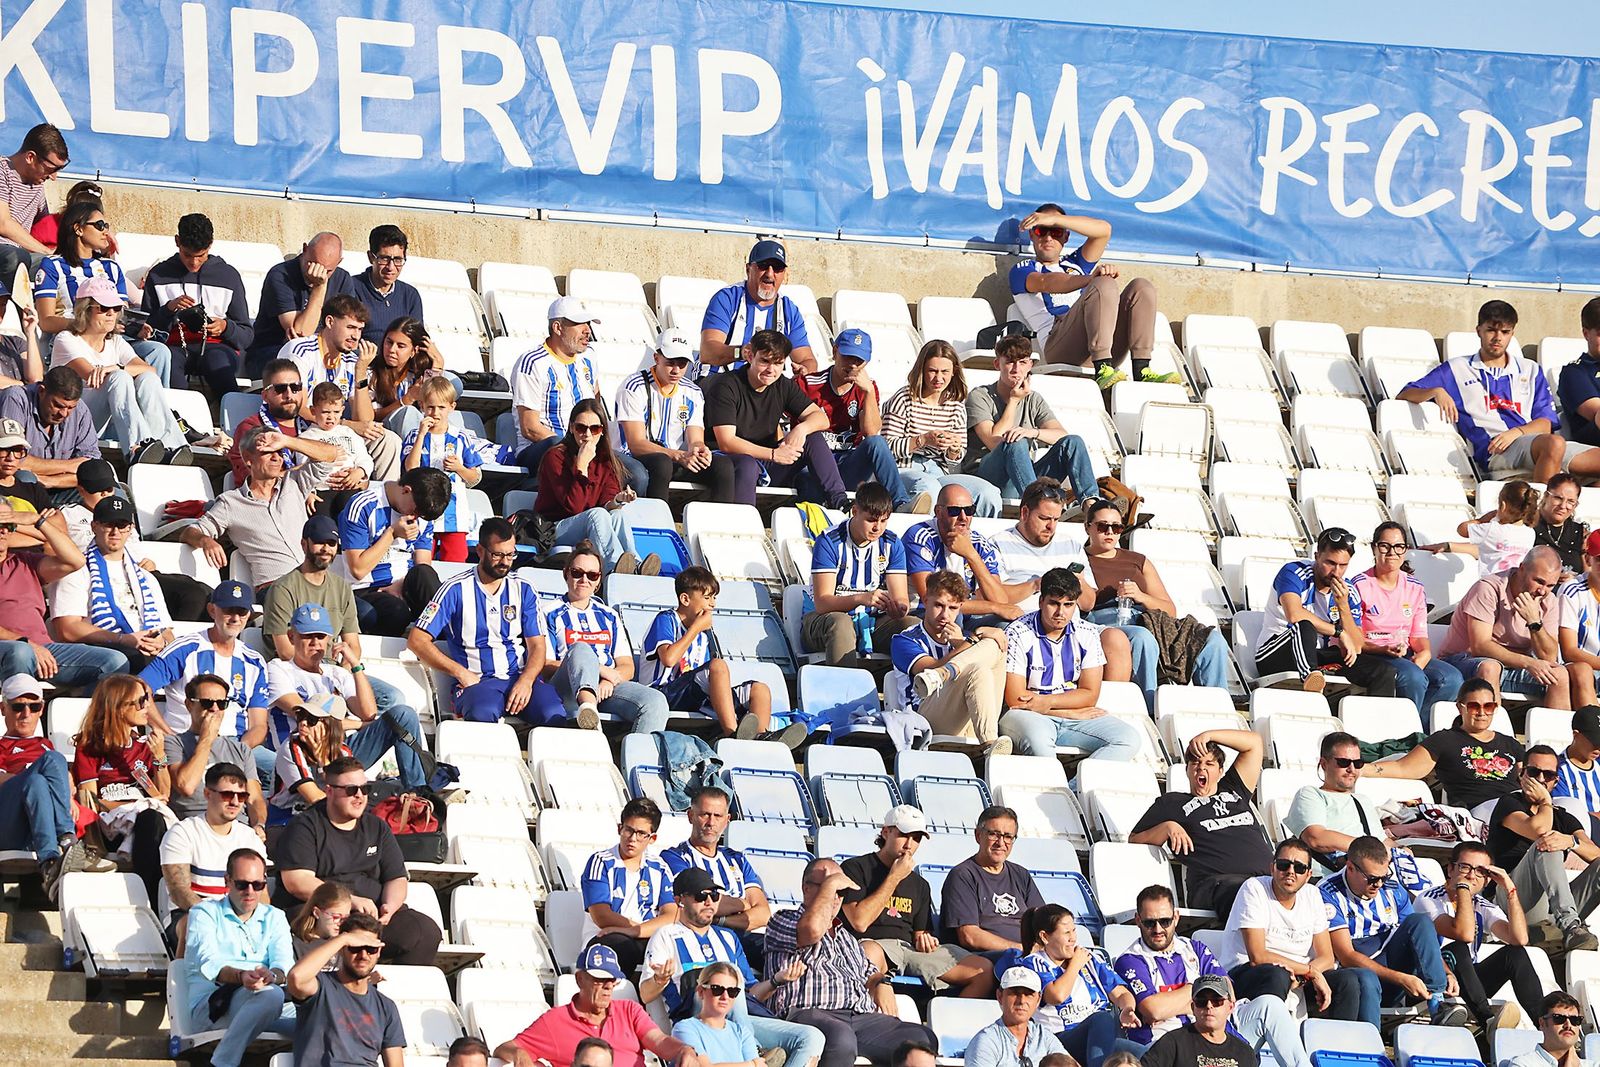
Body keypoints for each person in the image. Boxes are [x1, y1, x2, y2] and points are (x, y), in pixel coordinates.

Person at [762, 857, 937, 1067]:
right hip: (805, 1012)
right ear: (806, 889)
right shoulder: (784, 920)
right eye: (828, 888)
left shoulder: (846, 937)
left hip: (860, 1017)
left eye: (841, 892)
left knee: (921, 1039)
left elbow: (869, 972)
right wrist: (833, 883)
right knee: (841, 1039)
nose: (835, 898)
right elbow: (812, 930)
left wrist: (881, 982)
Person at [641, 867, 825, 1066]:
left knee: (811, 1037)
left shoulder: (727, 937)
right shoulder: (665, 935)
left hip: (738, 1023)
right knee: (727, 976)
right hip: (697, 1020)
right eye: (700, 896)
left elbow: (750, 994)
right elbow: (645, 995)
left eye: (714, 895)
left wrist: (776, 980)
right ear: (680, 900)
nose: (709, 902)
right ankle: (753, 1050)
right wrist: (659, 980)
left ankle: (751, 1046)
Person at [1401, 299, 1600, 481]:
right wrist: (1435, 391)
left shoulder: (1530, 369)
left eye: (1505, 332)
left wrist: (1516, 432)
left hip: (1532, 442)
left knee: (1559, 446)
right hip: (1494, 450)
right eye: (1491, 331)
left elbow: (1545, 423)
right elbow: (1405, 393)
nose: (1497, 338)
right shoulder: (1456, 368)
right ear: (1479, 330)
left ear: (1512, 334)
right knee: (1554, 444)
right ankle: (1540, 517)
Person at [274, 757, 441, 965]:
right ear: (330, 791)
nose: (360, 796)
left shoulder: (376, 827)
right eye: (351, 790)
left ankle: (392, 993)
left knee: (423, 931)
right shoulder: (305, 826)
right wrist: (351, 901)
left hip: (370, 915)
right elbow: (296, 881)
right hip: (324, 913)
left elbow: (396, 877)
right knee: (317, 926)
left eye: (365, 789)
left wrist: (390, 906)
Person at [1114, 885, 1307, 1066]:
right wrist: (1197, 989)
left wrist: (1176, 1003)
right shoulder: (1131, 959)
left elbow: (1227, 993)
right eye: (1149, 922)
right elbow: (1154, 1010)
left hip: (1220, 1032)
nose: (1157, 929)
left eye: (1164, 921)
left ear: (1176, 918)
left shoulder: (1194, 948)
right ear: (1137, 920)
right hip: (1168, 1044)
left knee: (1270, 1005)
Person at [266, 603, 427, 792]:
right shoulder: (278, 668)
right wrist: (358, 725)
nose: (315, 643)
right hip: (301, 752)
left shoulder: (336, 673)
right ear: (292, 637)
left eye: (320, 636)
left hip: (342, 749)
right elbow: (310, 719)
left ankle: (418, 792)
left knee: (403, 714)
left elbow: (368, 713)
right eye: (307, 636)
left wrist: (356, 665)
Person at [841, 805, 996, 998]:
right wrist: (894, 877)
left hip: (909, 950)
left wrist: (925, 939)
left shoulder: (920, 884)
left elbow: (920, 934)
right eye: (903, 835)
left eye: (916, 838)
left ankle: (948, 1024)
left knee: (983, 970)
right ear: (885, 832)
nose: (909, 845)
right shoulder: (855, 868)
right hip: (872, 944)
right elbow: (859, 921)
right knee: (869, 954)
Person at [1081, 497, 1231, 695]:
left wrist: (1141, 596)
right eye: (1103, 526)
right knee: (1142, 638)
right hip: (1104, 620)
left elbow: (1169, 609)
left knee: (1212, 640)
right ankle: (1148, 704)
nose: (1110, 532)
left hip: (1147, 618)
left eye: (1116, 528)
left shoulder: (1137, 560)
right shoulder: (1079, 558)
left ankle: (1216, 705)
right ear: (1088, 527)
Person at [1225, 837, 1378, 1027]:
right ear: (1272, 867)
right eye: (1283, 865)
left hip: (1301, 977)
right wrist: (1310, 972)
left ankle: (1336, 1049)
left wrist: (1305, 975)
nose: (1290, 872)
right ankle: (1267, 1044)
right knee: (1277, 975)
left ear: (1308, 875)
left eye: (1299, 868)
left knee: (1348, 980)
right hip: (1249, 973)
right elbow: (1258, 956)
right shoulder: (1254, 888)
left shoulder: (1312, 895)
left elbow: (1327, 957)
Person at [408, 517, 549, 723]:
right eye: (498, 554)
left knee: (552, 711)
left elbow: (537, 646)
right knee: (483, 712)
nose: (505, 562)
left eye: (510, 555)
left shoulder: (524, 588)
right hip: (477, 681)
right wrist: (461, 673)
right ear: (480, 551)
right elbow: (417, 640)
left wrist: (527, 680)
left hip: (517, 677)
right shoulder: (454, 589)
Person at [996, 567, 1142, 761]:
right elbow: (1016, 700)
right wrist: (1068, 711)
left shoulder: (1087, 633)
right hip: (1029, 716)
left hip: (1067, 714)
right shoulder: (1017, 632)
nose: (1060, 612)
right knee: (1039, 743)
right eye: (1054, 604)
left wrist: (1048, 703)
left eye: (1068, 605)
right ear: (1041, 601)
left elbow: (1090, 695)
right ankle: (1053, 789)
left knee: (1128, 739)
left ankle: (1074, 789)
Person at [1011, 205, 1166, 388]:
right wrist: (1091, 279)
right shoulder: (1022, 269)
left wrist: (1054, 220)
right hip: (1060, 347)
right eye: (1041, 230)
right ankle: (1102, 369)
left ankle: (1142, 369)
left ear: (1066, 236)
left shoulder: (1074, 263)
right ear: (1032, 235)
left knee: (1141, 287)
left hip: (1101, 343)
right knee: (1103, 283)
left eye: (1056, 231)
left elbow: (1104, 230)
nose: (1048, 237)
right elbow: (1047, 282)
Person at [1320, 835, 1469, 1025]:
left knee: (1420, 921)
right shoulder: (1328, 892)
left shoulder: (1391, 888)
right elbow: (1347, 955)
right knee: (1366, 978)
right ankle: (1372, 1045)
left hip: (1392, 966)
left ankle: (1437, 1003)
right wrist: (1401, 978)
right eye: (1373, 879)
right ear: (1350, 868)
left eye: (1384, 877)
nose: (1379, 885)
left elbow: (1420, 936)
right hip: (1357, 977)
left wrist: (1445, 971)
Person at [494, 944, 709, 1067]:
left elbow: (660, 1041)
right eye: (600, 979)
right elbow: (505, 1048)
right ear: (580, 980)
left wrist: (684, 1050)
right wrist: (519, 1054)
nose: (608, 986)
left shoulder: (629, 1010)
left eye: (612, 980)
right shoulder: (555, 1020)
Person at [48, 276, 188, 464]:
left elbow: (151, 370)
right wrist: (117, 371)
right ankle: (137, 446)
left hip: (113, 421)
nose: (111, 314)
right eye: (104, 308)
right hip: (75, 423)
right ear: (85, 311)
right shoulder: (66, 339)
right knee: (119, 377)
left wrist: (117, 366)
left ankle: (170, 444)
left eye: (116, 308)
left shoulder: (114, 341)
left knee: (147, 378)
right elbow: (92, 375)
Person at [1130, 731, 1272, 916]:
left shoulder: (1234, 788)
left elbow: (1254, 742)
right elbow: (1134, 841)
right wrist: (1167, 827)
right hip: (1217, 885)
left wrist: (1209, 736)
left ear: (1220, 771)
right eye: (1195, 763)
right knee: (1249, 894)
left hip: (1267, 880)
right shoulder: (1172, 803)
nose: (1200, 768)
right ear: (1187, 769)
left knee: (1308, 891)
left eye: (1209, 763)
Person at [707, 329, 850, 510]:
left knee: (813, 439)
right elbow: (726, 442)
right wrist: (774, 454)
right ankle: (744, 526)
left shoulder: (783, 384)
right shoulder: (726, 385)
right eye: (765, 361)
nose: (771, 370)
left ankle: (840, 504)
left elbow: (821, 419)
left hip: (766, 460)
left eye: (778, 363)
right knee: (747, 464)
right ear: (750, 356)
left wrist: (801, 430)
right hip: (728, 461)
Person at [32, 199, 173, 381]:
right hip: (75, 339)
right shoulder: (52, 265)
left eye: (106, 225)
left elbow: (120, 313)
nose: (106, 231)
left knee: (158, 351)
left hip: (113, 339)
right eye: (99, 225)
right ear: (78, 229)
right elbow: (46, 321)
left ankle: (157, 406)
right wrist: (84, 325)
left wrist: (134, 327)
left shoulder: (111, 267)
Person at [0, 672, 113, 898]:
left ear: (41, 710)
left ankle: (50, 863)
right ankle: (69, 841)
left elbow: (65, 785)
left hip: (41, 828)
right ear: (4, 709)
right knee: (46, 769)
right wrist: (47, 782)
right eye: (18, 707)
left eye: (34, 707)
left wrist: (65, 795)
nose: (25, 714)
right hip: (9, 824)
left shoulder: (45, 745)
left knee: (40, 778)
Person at [183, 424, 336, 587]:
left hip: (317, 581)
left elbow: (329, 455)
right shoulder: (231, 502)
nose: (277, 458)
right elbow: (190, 532)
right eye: (268, 453)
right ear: (248, 459)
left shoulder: (293, 482)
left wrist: (286, 441)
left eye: (279, 452)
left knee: (362, 609)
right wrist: (206, 540)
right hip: (276, 586)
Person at [539, 540, 669, 733]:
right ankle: (590, 716)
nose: (584, 580)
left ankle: (636, 758)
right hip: (565, 688)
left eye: (592, 575)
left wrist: (608, 680)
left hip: (607, 688)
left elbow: (627, 666)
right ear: (566, 574)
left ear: (599, 581)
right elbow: (546, 665)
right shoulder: (547, 612)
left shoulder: (609, 615)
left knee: (655, 701)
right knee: (581, 648)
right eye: (577, 573)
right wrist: (598, 669)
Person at [1252, 527, 1399, 696]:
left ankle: (1376, 720)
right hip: (1276, 653)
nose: (1336, 572)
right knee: (1304, 625)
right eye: (1330, 563)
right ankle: (1310, 675)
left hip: (1320, 654)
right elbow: (1294, 614)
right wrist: (1339, 633)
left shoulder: (1348, 590)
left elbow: (1357, 646)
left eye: (1343, 565)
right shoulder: (1294, 572)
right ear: (1316, 557)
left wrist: (1343, 605)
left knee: (1384, 671)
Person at [1416, 840, 1540, 1036]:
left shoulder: (1482, 904)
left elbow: (1518, 938)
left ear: (1487, 879)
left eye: (1480, 871)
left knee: (1515, 954)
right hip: (1434, 978)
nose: (1472, 875)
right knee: (1459, 948)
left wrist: (1510, 890)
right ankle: (1488, 1021)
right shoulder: (1429, 899)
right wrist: (1463, 889)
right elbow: (1463, 934)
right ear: (1450, 869)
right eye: (1465, 867)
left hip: (1469, 983)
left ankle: (1544, 1023)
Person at [184, 849, 294, 1067]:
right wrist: (243, 976)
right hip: (213, 1006)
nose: (250, 891)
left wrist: (272, 975)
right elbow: (209, 963)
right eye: (242, 884)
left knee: (324, 1016)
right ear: (228, 881)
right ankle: (222, 1063)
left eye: (258, 884)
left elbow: (284, 965)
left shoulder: (275, 916)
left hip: (266, 1001)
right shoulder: (204, 912)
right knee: (270, 996)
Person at [1485, 744, 1600, 951]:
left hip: (1549, 905)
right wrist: (1546, 802)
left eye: (1548, 775)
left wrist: (1571, 842)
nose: (1540, 779)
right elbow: (1538, 829)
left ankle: (1565, 925)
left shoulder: (1563, 817)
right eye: (1533, 772)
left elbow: (1594, 853)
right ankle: (1571, 926)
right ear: (1521, 774)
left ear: (1555, 780)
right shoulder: (1510, 803)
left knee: (1558, 843)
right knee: (1547, 844)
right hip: (1510, 899)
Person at [642, 566, 779, 740]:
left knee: (760, 690)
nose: (712, 604)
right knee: (718, 665)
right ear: (685, 599)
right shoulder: (666, 619)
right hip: (662, 694)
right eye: (707, 598)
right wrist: (696, 628)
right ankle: (733, 735)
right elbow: (669, 659)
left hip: (695, 696)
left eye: (714, 598)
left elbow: (704, 676)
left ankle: (760, 740)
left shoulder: (703, 636)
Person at [71, 674, 173, 907]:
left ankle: (156, 901)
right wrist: (133, 807)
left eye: (146, 699)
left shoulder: (144, 746)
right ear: (118, 708)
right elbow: (90, 800)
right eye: (140, 701)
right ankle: (153, 902)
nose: (147, 706)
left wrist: (159, 757)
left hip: (146, 817)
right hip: (109, 823)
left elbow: (163, 794)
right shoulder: (90, 746)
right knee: (150, 818)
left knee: (152, 819)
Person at [0, 498, 125, 684]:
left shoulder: (25, 562)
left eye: (7, 525)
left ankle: (86, 711)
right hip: (13, 648)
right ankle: (21, 708)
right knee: (20, 652)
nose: (3, 531)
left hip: (43, 649)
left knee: (114, 662)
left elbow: (76, 561)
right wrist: (24, 642)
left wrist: (38, 522)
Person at [966, 336, 1103, 504]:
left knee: (1073, 442)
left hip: (1025, 476)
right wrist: (1014, 401)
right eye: (1010, 362)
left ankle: (1091, 504)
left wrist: (1032, 432)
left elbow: (1061, 435)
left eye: (1022, 362)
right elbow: (993, 442)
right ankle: (1037, 506)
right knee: (1015, 441)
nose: (1016, 369)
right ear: (997, 364)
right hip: (989, 477)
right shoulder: (980, 395)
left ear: (1030, 365)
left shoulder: (1034, 399)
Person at [278, 294, 400, 482]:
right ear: (330, 321)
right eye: (350, 327)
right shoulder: (300, 351)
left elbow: (365, 420)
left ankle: (382, 501)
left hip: (338, 433)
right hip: (305, 432)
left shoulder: (352, 360)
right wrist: (347, 424)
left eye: (360, 329)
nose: (356, 336)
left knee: (388, 440)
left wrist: (360, 372)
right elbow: (298, 408)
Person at [534, 398, 659, 574]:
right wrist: (582, 466)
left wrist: (617, 500)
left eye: (595, 428)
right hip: (553, 529)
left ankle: (636, 565)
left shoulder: (605, 459)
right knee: (597, 515)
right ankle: (614, 565)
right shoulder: (556, 457)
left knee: (617, 515)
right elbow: (575, 506)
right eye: (580, 428)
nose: (587, 434)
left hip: (590, 523)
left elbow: (606, 502)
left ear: (602, 431)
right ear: (571, 428)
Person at [50, 495, 174, 673]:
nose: (115, 532)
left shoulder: (146, 577)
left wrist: (162, 641)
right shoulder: (76, 570)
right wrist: (123, 639)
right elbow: (67, 629)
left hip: (144, 649)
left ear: (130, 529)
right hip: (101, 649)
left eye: (122, 526)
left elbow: (167, 630)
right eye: (108, 524)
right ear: (94, 526)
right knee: (132, 660)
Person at [890, 569, 1011, 751]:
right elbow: (927, 669)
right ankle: (990, 744)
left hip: (970, 719)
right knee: (977, 669)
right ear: (925, 601)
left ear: (960, 607)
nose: (945, 615)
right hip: (925, 718)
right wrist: (966, 643)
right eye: (939, 605)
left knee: (995, 644)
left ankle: (991, 747)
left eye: (953, 608)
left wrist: (962, 642)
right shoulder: (904, 640)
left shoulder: (964, 640)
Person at [1351, 522, 1464, 713]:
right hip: (1373, 654)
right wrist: (1384, 648)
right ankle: (1406, 732)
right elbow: (1356, 638)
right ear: (1374, 548)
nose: (1391, 552)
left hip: (1404, 653)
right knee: (1413, 676)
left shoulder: (1415, 587)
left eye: (1398, 547)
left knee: (1452, 679)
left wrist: (1425, 653)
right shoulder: (1359, 585)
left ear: (1405, 551)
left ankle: (1422, 729)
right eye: (1385, 546)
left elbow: (1418, 635)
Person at [1005, 904, 1137, 1067]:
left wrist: (1127, 1009)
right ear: (1045, 937)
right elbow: (1056, 996)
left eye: (1074, 931)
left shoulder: (1092, 960)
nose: (1073, 938)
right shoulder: (1034, 963)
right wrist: (1075, 965)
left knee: (1146, 1053)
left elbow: (1121, 993)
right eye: (1066, 933)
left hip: (1101, 1038)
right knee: (1102, 1019)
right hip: (1060, 1041)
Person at [1365, 677, 1525, 811]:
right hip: (1477, 810)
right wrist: (1358, 768)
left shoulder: (1510, 744)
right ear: (1460, 707)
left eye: (1488, 706)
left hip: (1516, 807)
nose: (1482, 712)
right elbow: (1403, 768)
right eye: (1474, 706)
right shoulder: (1445, 740)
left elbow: (1527, 777)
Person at [139, 212, 254, 397]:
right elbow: (145, 328)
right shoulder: (159, 275)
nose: (194, 262)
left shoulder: (228, 276)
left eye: (201, 256)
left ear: (210, 245)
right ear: (177, 242)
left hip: (217, 346)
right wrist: (168, 310)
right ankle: (178, 422)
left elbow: (246, 335)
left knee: (219, 365)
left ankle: (235, 422)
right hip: (173, 346)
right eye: (187, 255)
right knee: (169, 370)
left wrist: (225, 327)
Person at [1440, 546, 1571, 706]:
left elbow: (1549, 656)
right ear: (1522, 568)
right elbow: (1480, 646)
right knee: (1490, 667)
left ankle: (1556, 731)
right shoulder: (1489, 588)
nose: (1543, 591)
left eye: (1550, 585)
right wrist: (1528, 662)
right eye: (1539, 581)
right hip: (1463, 660)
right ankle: (1491, 729)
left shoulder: (1549, 600)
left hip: (1513, 665)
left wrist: (1534, 622)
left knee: (1559, 674)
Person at [882, 340, 1000, 516]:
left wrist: (953, 448)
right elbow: (886, 448)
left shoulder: (956, 406)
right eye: (932, 371)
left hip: (939, 472)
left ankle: (977, 540)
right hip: (904, 468)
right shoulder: (903, 398)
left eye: (945, 372)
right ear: (921, 370)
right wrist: (922, 440)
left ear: (954, 373)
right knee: (929, 487)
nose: (938, 378)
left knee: (988, 493)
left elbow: (956, 458)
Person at [802, 482, 915, 666]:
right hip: (822, 620)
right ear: (854, 511)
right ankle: (844, 691)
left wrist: (898, 608)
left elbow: (901, 598)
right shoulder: (829, 541)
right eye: (871, 520)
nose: (877, 527)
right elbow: (822, 603)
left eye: (883, 521)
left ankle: (914, 692)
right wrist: (861, 598)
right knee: (841, 623)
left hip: (871, 620)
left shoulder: (892, 543)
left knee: (912, 626)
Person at [142, 579, 268, 744]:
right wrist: (168, 735)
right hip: (186, 742)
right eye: (229, 610)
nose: (235, 618)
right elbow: (139, 688)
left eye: (242, 612)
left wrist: (237, 752)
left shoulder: (255, 662)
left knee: (276, 763)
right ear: (212, 610)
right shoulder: (185, 649)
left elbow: (258, 725)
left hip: (234, 744)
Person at [615, 326, 732, 502]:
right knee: (662, 463)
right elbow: (636, 444)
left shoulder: (692, 392)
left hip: (676, 458)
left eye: (682, 364)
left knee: (722, 466)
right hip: (636, 458)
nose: (676, 370)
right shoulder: (634, 387)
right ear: (656, 358)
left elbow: (695, 438)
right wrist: (678, 455)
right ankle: (658, 524)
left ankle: (720, 526)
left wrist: (698, 450)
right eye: (670, 362)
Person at [160, 763, 267, 951]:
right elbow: (179, 892)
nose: (235, 802)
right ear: (208, 794)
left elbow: (263, 895)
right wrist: (220, 920)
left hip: (242, 917)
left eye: (241, 796)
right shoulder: (182, 832)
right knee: (195, 927)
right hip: (190, 915)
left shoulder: (250, 838)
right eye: (227, 795)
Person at [797, 328, 908, 509]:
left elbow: (871, 431)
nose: (853, 365)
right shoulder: (808, 384)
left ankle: (901, 504)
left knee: (877, 443)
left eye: (859, 360)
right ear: (835, 352)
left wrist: (869, 392)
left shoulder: (867, 389)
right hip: (812, 467)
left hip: (848, 464)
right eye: (848, 357)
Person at [337, 466, 448, 634]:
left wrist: (400, 584)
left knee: (427, 577)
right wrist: (392, 533)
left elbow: (423, 565)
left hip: (404, 584)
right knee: (397, 612)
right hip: (367, 588)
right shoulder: (363, 505)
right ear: (406, 490)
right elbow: (357, 570)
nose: (417, 517)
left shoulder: (423, 515)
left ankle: (448, 641)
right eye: (417, 510)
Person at [286, 911, 406, 1067]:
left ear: (379, 952)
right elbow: (296, 978)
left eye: (371, 949)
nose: (363, 955)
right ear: (342, 949)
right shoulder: (320, 988)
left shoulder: (386, 1007)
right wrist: (343, 939)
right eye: (355, 948)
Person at [583, 796, 680, 975]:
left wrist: (635, 931)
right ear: (620, 829)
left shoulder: (659, 867)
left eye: (642, 833)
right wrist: (636, 931)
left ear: (652, 838)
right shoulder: (601, 862)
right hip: (606, 938)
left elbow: (672, 915)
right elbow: (602, 916)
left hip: (646, 936)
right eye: (629, 830)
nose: (633, 839)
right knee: (620, 946)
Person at [660, 786, 773, 936]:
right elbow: (697, 903)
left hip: (740, 938)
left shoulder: (737, 860)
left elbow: (763, 914)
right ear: (690, 816)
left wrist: (720, 920)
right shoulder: (674, 857)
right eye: (705, 815)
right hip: (697, 937)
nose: (711, 822)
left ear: (727, 820)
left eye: (718, 816)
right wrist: (743, 904)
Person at [159, 674, 267, 826]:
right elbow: (186, 786)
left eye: (222, 703)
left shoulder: (241, 749)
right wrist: (206, 738)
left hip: (237, 827)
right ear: (189, 705)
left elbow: (254, 798)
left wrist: (259, 826)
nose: (214, 709)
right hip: (193, 826)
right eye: (206, 703)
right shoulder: (172, 743)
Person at [699, 238, 818, 376]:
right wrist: (743, 352)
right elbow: (707, 352)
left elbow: (807, 359)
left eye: (777, 268)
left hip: (763, 385)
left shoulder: (788, 310)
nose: (769, 274)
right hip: (720, 378)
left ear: (784, 274)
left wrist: (805, 370)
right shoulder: (728, 298)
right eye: (763, 265)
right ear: (748, 269)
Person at [512, 295, 601, 473]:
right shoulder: (533, 363)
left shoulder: (589, 357)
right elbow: (530, 428)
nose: (587, 330)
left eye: (588, 323)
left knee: (636, 473)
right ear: (558, 327)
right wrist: (574, 448)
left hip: (585, 444)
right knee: (556, 448)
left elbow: (597, 408)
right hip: (543, 447)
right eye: (579, 323)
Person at [903, 486, 1018, 623]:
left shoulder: (979, 543)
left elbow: (1001, 601)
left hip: (966, 617)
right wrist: (994, 607)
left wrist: (971, 555)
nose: (963, 517)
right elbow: (931, 598)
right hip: (923, 614)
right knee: (953, 616)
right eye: (955, 511)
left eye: (969, 510)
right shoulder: (920, 536)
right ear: (938, 512)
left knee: (1004, 623)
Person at [246, 232, 356, 376]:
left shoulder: (343, 279)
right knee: (302, 360)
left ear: (339, 262)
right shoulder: (280, 275)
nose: (317, 274)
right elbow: (301, 334)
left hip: (323, 351)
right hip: (273, 350)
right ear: (305, 250)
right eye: (313, 264)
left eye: (328, 271)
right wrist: (320, 287)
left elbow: (345, 328)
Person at [1282, 732, 1391, 877]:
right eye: (1343, 762)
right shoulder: (1310, 794)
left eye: (1357, 763)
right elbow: (1316, 838)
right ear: (1324, 764)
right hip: (1327, 879)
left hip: (1369, 878)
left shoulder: (1363, 800)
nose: (1351, 769)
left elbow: (1383, 840)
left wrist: (1401, 849)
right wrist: (1369, 850)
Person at [401, 375, 484, 561]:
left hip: (453, 514)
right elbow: (410, 468)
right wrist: (421, 436)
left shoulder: (461, 437)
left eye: (441, 407)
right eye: (430, 407)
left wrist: (459, 468)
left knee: (455, 560)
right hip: (421, 510)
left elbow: (475, 477)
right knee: (420, 560)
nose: (435, 413)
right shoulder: (414, 435)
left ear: (451, 407)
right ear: (422, 406)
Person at [941, 805, 1043, 956]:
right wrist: (1020, 949)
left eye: (1008, 836)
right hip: (987, 960)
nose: (1001, 843)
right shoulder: (963, 875)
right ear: (978, 836)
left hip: (1027, 957)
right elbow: (969, 936)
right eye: (994, 834)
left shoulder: (1021, 875)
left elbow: (1044, 924)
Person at [261, 515, 359, 660]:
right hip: (293, 671)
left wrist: (345, 674)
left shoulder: (343, 588)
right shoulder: (282, 589)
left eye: (331, 543)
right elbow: (285, 651)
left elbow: (353, 645)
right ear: (304, 544)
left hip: (333, 672)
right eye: (319, 542)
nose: (326, 549)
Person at [0, 365, 101, 495]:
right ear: (42, 391)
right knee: (25, 478)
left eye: (70, 408)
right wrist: (71, 466)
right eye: (58, 405)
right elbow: (14, 460)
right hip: (26, 487)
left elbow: (93, 466)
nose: (64, 413)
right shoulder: (16, 399)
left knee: (105, 484)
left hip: (62, 485)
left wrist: (50, 480)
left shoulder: (80, 410)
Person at [1420, 479, 1540, 577]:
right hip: (1514, 587)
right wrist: (1448, 546)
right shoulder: (1530, 533)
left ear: (1502, 506)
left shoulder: (1491, 529)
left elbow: (1462, 529)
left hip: (1491, 586)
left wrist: (1483, 519)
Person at [0, 123, 68, 286]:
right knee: (16, 257)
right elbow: (3, 223)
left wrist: (95, 227)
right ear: (30, 157)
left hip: (24, 257)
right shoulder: (2, 171)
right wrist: (47, 252)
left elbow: (47, 227)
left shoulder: (36, 184)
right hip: (7, 253)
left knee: (67, 266)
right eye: (51, 169)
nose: (54, 177)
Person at [268, 693, 355, 821]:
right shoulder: (291, 747)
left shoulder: (344, 752)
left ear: (330, 725)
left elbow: (350, 793)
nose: (303, 723)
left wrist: (323, 762)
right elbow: (313, 797)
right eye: (301, 716)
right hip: (286, 816)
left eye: (311, 720)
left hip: (325, 816)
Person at [1139, 975, 1256, 1067]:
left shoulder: (1245, 1053)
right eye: (1201, 1001)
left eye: (1217, 1001)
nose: (1209, 1006)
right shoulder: (1172, 1043)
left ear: (1230, 1007)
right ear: (1193, 1008)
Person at [963, 966, 1069, 1067]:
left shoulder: (1044, 1037)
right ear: (1000, 996)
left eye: (1028, 994)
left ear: (1038, 999)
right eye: (1014, 993)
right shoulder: (986, 1042)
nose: (1022, 1001)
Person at [671, 961, 765, 1066]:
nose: (725, 997)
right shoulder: (684, 1029)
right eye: (717, 989)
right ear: (701, 991)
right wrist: (751, 1064)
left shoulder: (742, 1032)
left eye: (732, 991)